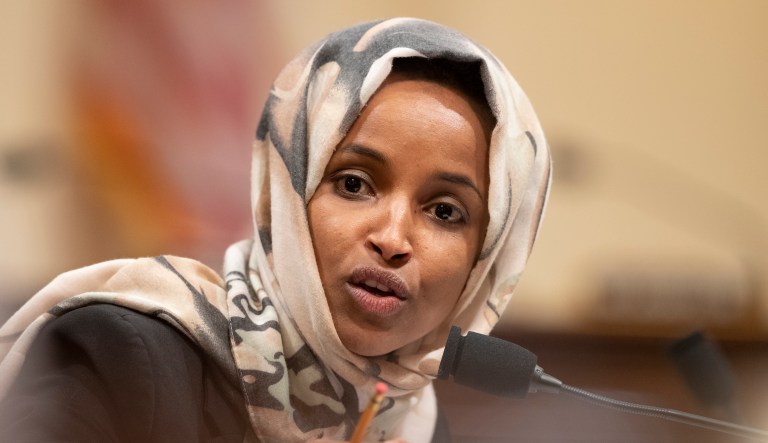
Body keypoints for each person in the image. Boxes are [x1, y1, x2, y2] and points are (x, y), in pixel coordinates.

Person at [0, 17, 550, 442]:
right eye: (355, 183)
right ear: (287, 191)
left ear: (487, 257)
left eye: (445, 212)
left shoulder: (413, 425)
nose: (393, 237)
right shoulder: (120, 354)